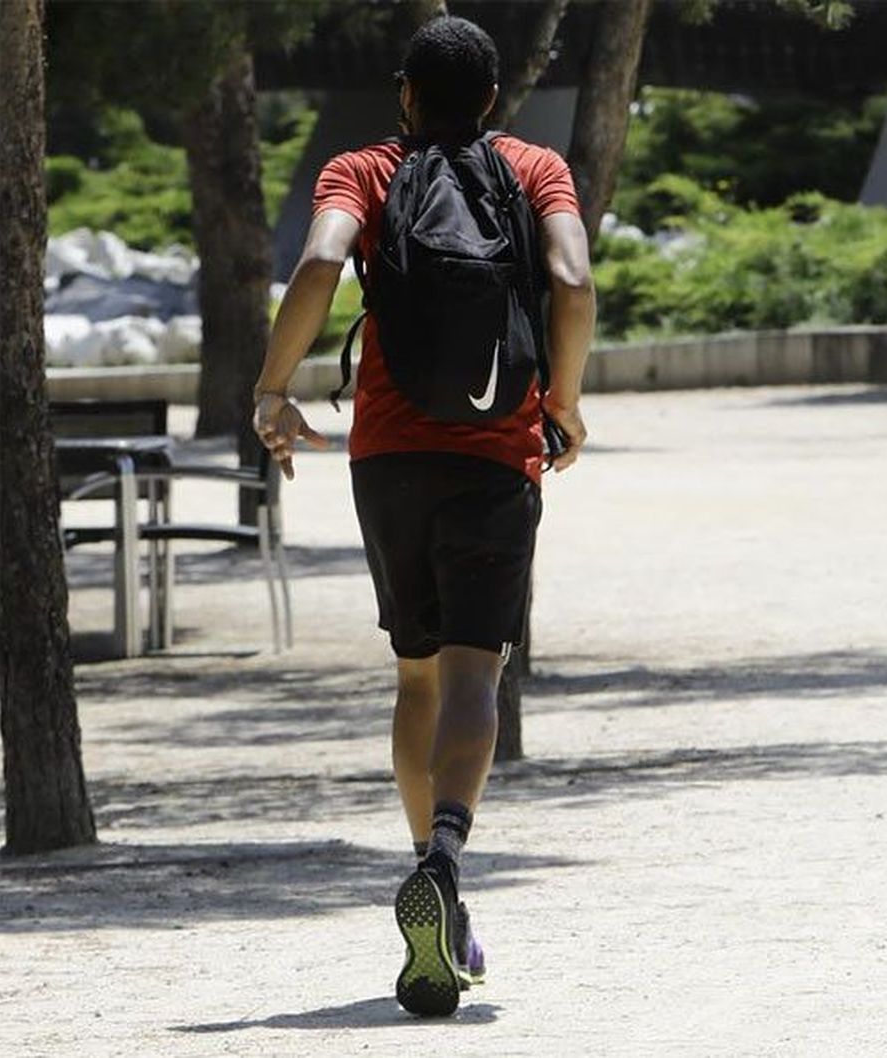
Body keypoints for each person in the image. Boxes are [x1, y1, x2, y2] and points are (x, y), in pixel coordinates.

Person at [251, 16, 595, 1016]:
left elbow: (319, 264)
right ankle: (447, 853)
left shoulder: (360, 169)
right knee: (476, 671)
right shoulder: (535, 168)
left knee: (415, 672)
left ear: (405, 92)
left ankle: (424, 867)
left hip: (391, 456)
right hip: (496, 455)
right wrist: (565, 402)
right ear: (491, 97)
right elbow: (572, 280)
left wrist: (272, 389)